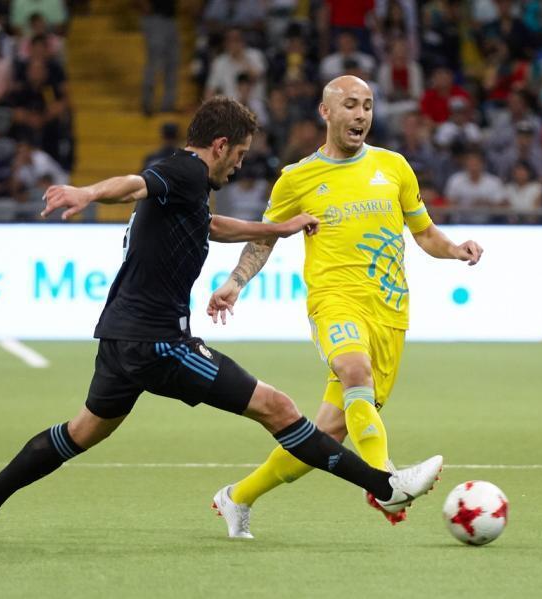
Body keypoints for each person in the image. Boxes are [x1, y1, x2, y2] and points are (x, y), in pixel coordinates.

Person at [0, 97, 443, 544]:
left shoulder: (187, 188)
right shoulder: (184, 170)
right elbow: (134, 184)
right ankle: (385, 487)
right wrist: (86, 192)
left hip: (120, 336)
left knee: (82, 431)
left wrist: (277, 227)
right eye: (240, 154)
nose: (240, 165)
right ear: (220, 145)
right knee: (276, 407)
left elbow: (211, 225)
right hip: (159, 343)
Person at [206, 78, 481, 538]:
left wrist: (454, 249)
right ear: (326, 112)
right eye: (350, 105)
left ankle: (237, 497)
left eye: (368, 106)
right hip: (334, 301)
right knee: (354, 369)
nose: (361, 114)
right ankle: (386, 482)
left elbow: (424, 232)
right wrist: (235, 282)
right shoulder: (298, 177)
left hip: (389, 313)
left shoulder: (394, 167)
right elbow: (264, 238)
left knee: (324, 436)